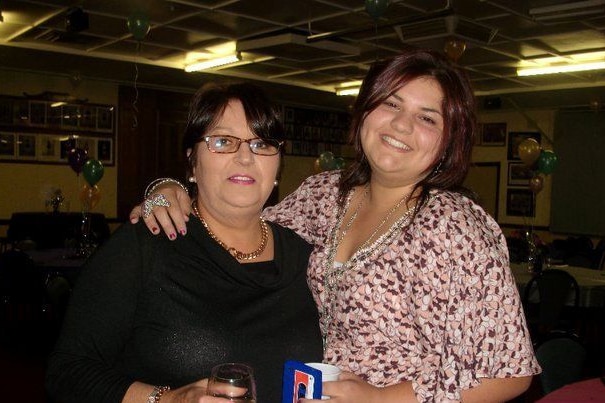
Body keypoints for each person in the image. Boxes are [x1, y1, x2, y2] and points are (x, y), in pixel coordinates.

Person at [131, 47, 541, 402]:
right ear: (366, 110)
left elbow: (508, 372)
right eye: (392, 104)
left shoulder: (456, 227)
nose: (401, 125)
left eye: (427, 118)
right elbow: (236, 218)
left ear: (449, 140)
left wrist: (383, 399)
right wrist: (169, 187)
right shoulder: (326, 195)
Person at [45, 83, 323, 403]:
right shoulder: (146, 245)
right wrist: (167, 399)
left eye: (261, 144)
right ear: (192, 162)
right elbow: (67, 372)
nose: (246, 157)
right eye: (223, 142)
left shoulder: (305, 257)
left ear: (277, 166)